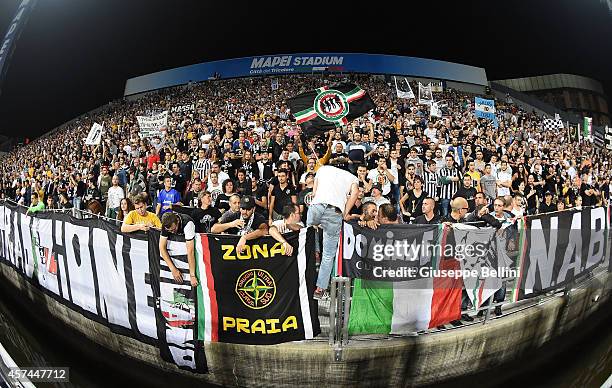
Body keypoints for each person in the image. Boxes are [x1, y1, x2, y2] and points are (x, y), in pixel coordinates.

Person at [308, 165, 359, 300]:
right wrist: (345, 212)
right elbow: (354, 194)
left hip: (316, 206)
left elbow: (314, 192)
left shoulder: (323, 169)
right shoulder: (352, 177)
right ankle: (320, 289)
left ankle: (312, 255)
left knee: (304, 238)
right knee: (329, 255)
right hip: (334, 211)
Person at [159, 212, 198, 287]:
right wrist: (173, 269)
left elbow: (190, 251)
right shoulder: (166, 224)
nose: (172, 232)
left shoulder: (188, 224)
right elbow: (161, 247)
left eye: (174, 229)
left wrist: (192, 275)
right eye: (169, 231)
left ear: (178, 221)